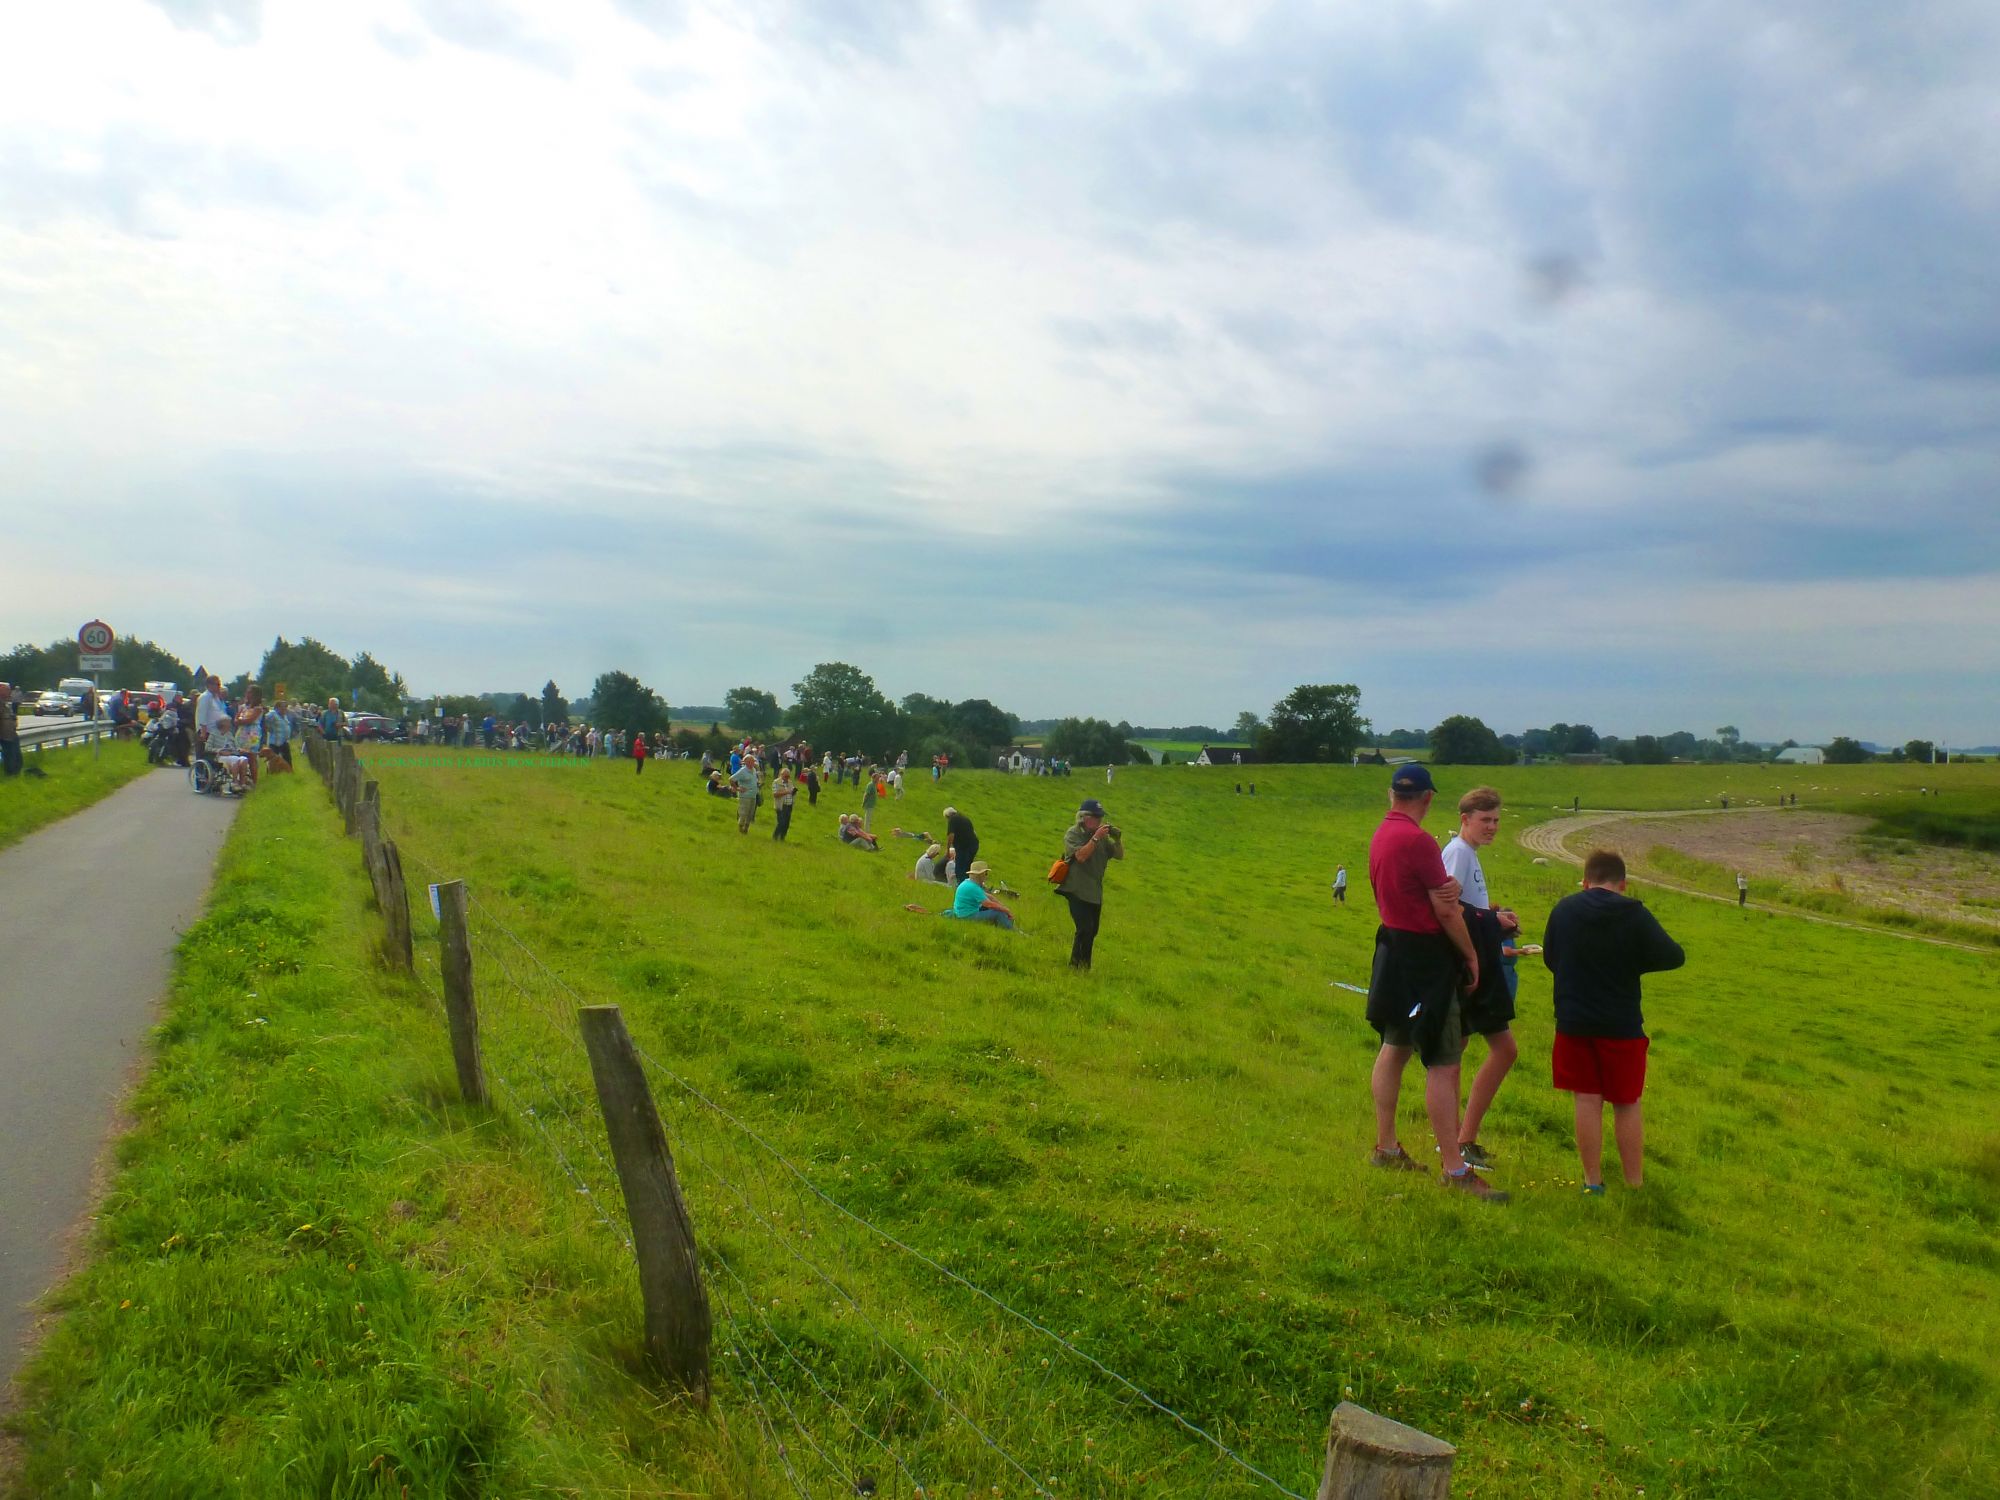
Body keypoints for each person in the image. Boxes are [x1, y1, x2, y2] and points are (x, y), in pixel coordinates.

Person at [1363, 765, 1505, 1202]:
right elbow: (1447, 910)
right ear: (1427, 798)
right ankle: (1455, 1169)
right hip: (1426, 960)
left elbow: (1439, 895)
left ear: (1392, 794)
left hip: (1393, 951)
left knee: (1395, 1047)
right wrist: (1470, 955)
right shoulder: (1418, 840)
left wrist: (1444, 893)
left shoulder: (1381, 836)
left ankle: (1386, 1146)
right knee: (1443, 1063)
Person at [1544, 849, 1685, 1192]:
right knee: (1626, 1102)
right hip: (1620, 1023)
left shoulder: (1565, 909)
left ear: (1585, 881)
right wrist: (1633, 961)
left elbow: (1551, 957)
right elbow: (1673, 955)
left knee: (1586, 1099)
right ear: (1623, 883)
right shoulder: (1633, 913)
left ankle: (1593, 1182)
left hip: (1574, 1019)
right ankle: (1634, 1183)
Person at [1441, 787, 1520, 1171]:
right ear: (1465, 819)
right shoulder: (1457, 852)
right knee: (1496, 1052)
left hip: (1479, 962)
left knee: (1462, 1054)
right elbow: (1447, 906)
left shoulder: (1468, 854)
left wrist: (1495, 921)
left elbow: (1466, 907)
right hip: (1471, 968)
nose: (1492, 827)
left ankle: (1461, 1138)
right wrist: (1492, 922)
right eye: (1485, 820)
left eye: (1496, 820)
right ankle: (1459, 1141)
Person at [1054, 797, 1123, 970]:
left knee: (1092, 931)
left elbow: (1119, 855)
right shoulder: (1073, 833)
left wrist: (1118, 839)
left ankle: (1084, 967)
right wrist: (1096, 839)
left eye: (1101, 818)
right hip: (1076, 889)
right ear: (1084, 817)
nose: (1099, 821)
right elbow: (1081, 856)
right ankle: (1074, 965)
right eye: (1096, 817)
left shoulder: (1101, 838)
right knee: (1084, 928)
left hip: (1094, 892)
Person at [941, 861, 1016, 929]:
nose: (986, 876)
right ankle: (1013, 930)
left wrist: (1003, 907)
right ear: (981, 875)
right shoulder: (973, 887)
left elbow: (989, 897)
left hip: (961, 912)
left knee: (997, 909)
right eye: (986, 873)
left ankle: (1003, 924)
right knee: (998, 913)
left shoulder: (968, 883)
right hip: (967, 916)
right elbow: (989, 904)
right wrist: (1006, 910)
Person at [196, 675, 230, 753]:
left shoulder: (215, 697)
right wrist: (203, 733)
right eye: (217, 684)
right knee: (204, 755)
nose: (219, 687)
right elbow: (202, 715)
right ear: (209, 685)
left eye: (219, 684)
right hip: (206, 731)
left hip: (215, 731)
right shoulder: (205, 697)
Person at [943, 806, 978, 879]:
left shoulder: (952, 819)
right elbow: (974, 832)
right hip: (973, 845)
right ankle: (968, 883)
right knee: (967, 867)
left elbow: (951, 835)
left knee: (960, 868)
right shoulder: (965, 818)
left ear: (947, 816)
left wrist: (948, 849)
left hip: (963, 847)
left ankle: (960, 885)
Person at [732, 754, 760, 833]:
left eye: (753, 761)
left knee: (750, 814)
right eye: (751, 761)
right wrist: (737, 788)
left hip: (753, 795)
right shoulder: (742, 771)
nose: (753, 763)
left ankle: (746, 828)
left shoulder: (754, 770)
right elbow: (731, 779)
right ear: (746, 762)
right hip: (745, 796)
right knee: (744, 812)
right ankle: (740, 828)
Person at [771, 766, 797, 841]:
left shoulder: (790, 782)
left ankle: (782, 837)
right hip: (781, 806)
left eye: (788, 776)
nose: (787, 778)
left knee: (787, 823)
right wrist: (786, 792)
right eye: (786, 776)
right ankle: (775, 836)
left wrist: (793, 792)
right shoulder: (776, 782)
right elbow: (775, 794)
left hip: (789, 805)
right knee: (781, 822)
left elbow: (791, 791)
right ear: (781, 775)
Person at [0, 683, 20, 777]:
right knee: (9, 755)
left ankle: (14, 773)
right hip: (4, 735)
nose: (9, 692)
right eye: (7, 690)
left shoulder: (6, 703)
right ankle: (11, 774)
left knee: (15, 755)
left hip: (10, 733)